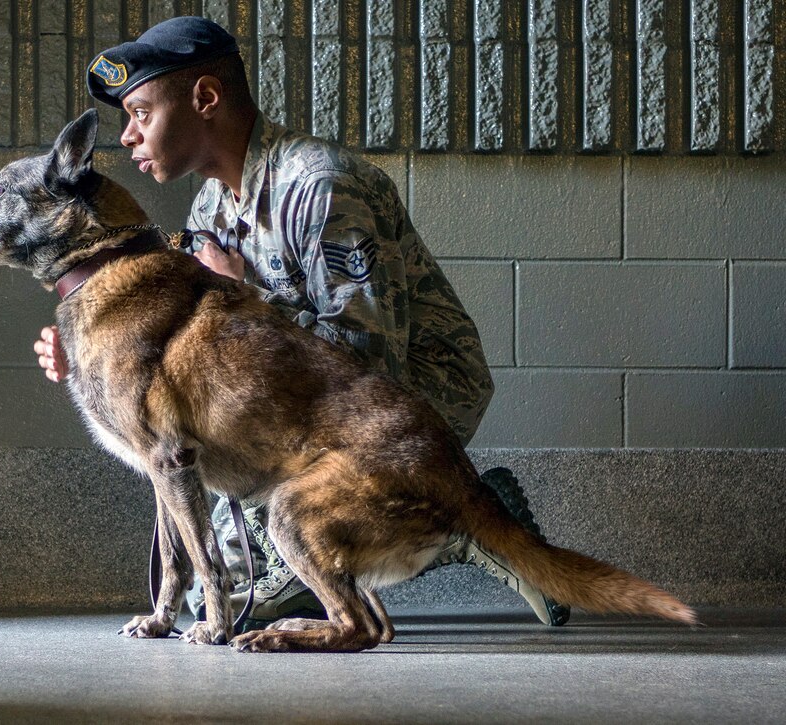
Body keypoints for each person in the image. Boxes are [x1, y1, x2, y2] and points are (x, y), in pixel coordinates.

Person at [34, 16, 569, 628]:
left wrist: (245, 293)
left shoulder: (319, 186)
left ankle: (468, 518)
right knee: (233, 583)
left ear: (205, 98)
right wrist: (100, 355)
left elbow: (374, 359)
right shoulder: (212, 202)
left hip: (410, 405)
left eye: (142, 113)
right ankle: (402, 521)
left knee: (290, 547)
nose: (128, 136)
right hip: (309, 408)